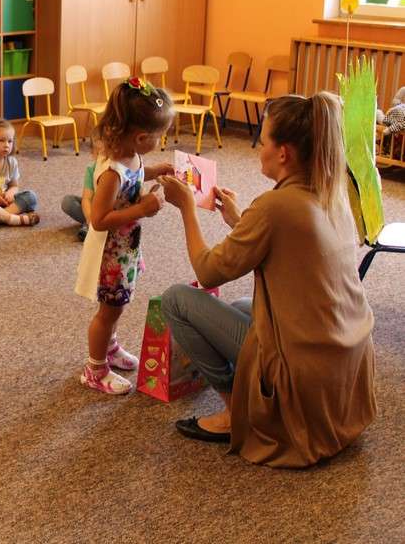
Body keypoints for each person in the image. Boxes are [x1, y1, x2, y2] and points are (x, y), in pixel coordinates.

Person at [157, 92, 376, 468]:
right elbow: (290, 246)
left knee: (177, 300)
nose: (259, 148)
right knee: (244, 306)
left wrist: (187, 208)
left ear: (284, 153)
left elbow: (207, 270)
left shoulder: (274, 207)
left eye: (264, 139)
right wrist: (239, 219)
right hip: (343, 359)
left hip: (301, 373)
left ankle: (234, 413)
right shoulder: (331, 192)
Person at [74, 78, 174, 394]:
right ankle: (95, 369)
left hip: (124, 249)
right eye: (160, 136)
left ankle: (110, 347)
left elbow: (137, 174)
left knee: (118, 305)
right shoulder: (112, 173)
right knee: (108, 312)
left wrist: (155, 171)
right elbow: (99, 219)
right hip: (110, 255)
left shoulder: (130, 154)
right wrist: (142, 208)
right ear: (141, 137)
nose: (162, 140)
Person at [62, 138, 106, 241]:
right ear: (93, 154)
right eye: (98, 153)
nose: (102, 158)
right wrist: (89, 218)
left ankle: (92, 227)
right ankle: (90, 225)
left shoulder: (114, 171)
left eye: (105, 154)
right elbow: (87, 198)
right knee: (67, 202)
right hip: (94, 210)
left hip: (110, 212)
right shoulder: (91, 169)